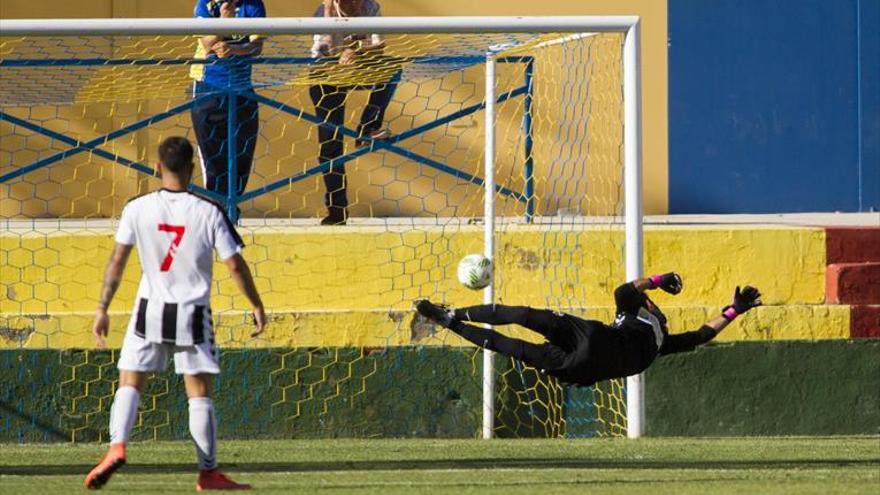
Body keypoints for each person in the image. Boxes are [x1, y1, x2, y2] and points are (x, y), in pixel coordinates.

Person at [84, 137, 266, 491]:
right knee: (198, 392)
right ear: (191, 169)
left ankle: (117, 445)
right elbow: (235, 265)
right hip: (191, 313)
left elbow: (117, 261)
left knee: (130, 381)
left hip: (148, 309)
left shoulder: (137, 208)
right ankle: (208, 472)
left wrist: (102, 308)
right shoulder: (209, 211)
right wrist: (256, 304)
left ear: (156, 168)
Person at [416, 273, 763, 387]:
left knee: (524, 315)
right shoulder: (660, 343)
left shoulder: (637, 312)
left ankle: (453, 314)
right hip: (586, 369)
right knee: (515, 349)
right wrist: (734, 310)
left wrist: (659, 280)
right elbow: (702, 336)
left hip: (594, 341)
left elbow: (625, 290)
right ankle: (450, 322)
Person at [310, 0, 401, 225]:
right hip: (325, 76)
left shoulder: (371, 7)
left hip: (357, 69)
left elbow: (379, 45)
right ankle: (337, 209)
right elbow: (326, 50)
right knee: (331, 146)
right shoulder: (324, 11)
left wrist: (355, 50)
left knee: (393, 70)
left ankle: (368, 127)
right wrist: (330, 14)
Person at [190, 0, 266, 208]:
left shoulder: (253, 5)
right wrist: (224, 19)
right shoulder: (206, 5)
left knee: (242, 153)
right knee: (213, 158)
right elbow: (207, 44)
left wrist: (234, 49)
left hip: (242, 87)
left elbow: (256, 46)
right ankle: (215, 209)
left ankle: (232, 209)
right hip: (209, 86)